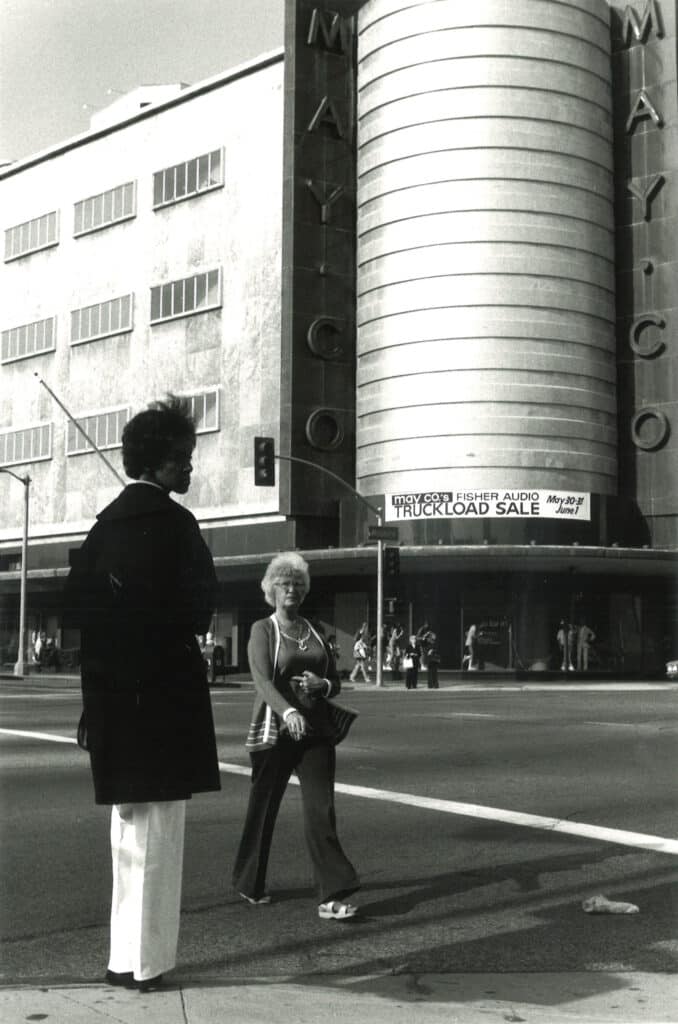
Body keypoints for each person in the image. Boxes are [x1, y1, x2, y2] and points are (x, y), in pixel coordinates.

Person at [64, 397, 220, 992]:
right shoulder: (177, 525)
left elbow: (81, 616)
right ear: (156, 462)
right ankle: (148, 964)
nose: (189, 469)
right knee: (161, 835)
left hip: (110, 703)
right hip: (163, 701)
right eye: (183, 458)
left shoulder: (103, 528)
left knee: (126, 836)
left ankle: (120, 956)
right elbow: (199, 606)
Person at [232, 552, 359, 920]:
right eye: (284, 584)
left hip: (316, 731)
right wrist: (287, 711)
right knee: (264, 807)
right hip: (277, 730)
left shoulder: (314, 630)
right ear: (271, 590)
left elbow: (335, 681)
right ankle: (249, 882)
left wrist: (323, 684)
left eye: (297, 585)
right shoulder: (263, 629)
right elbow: (261, 679)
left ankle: (332, 894)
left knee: (322, 809)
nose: (291, 590)